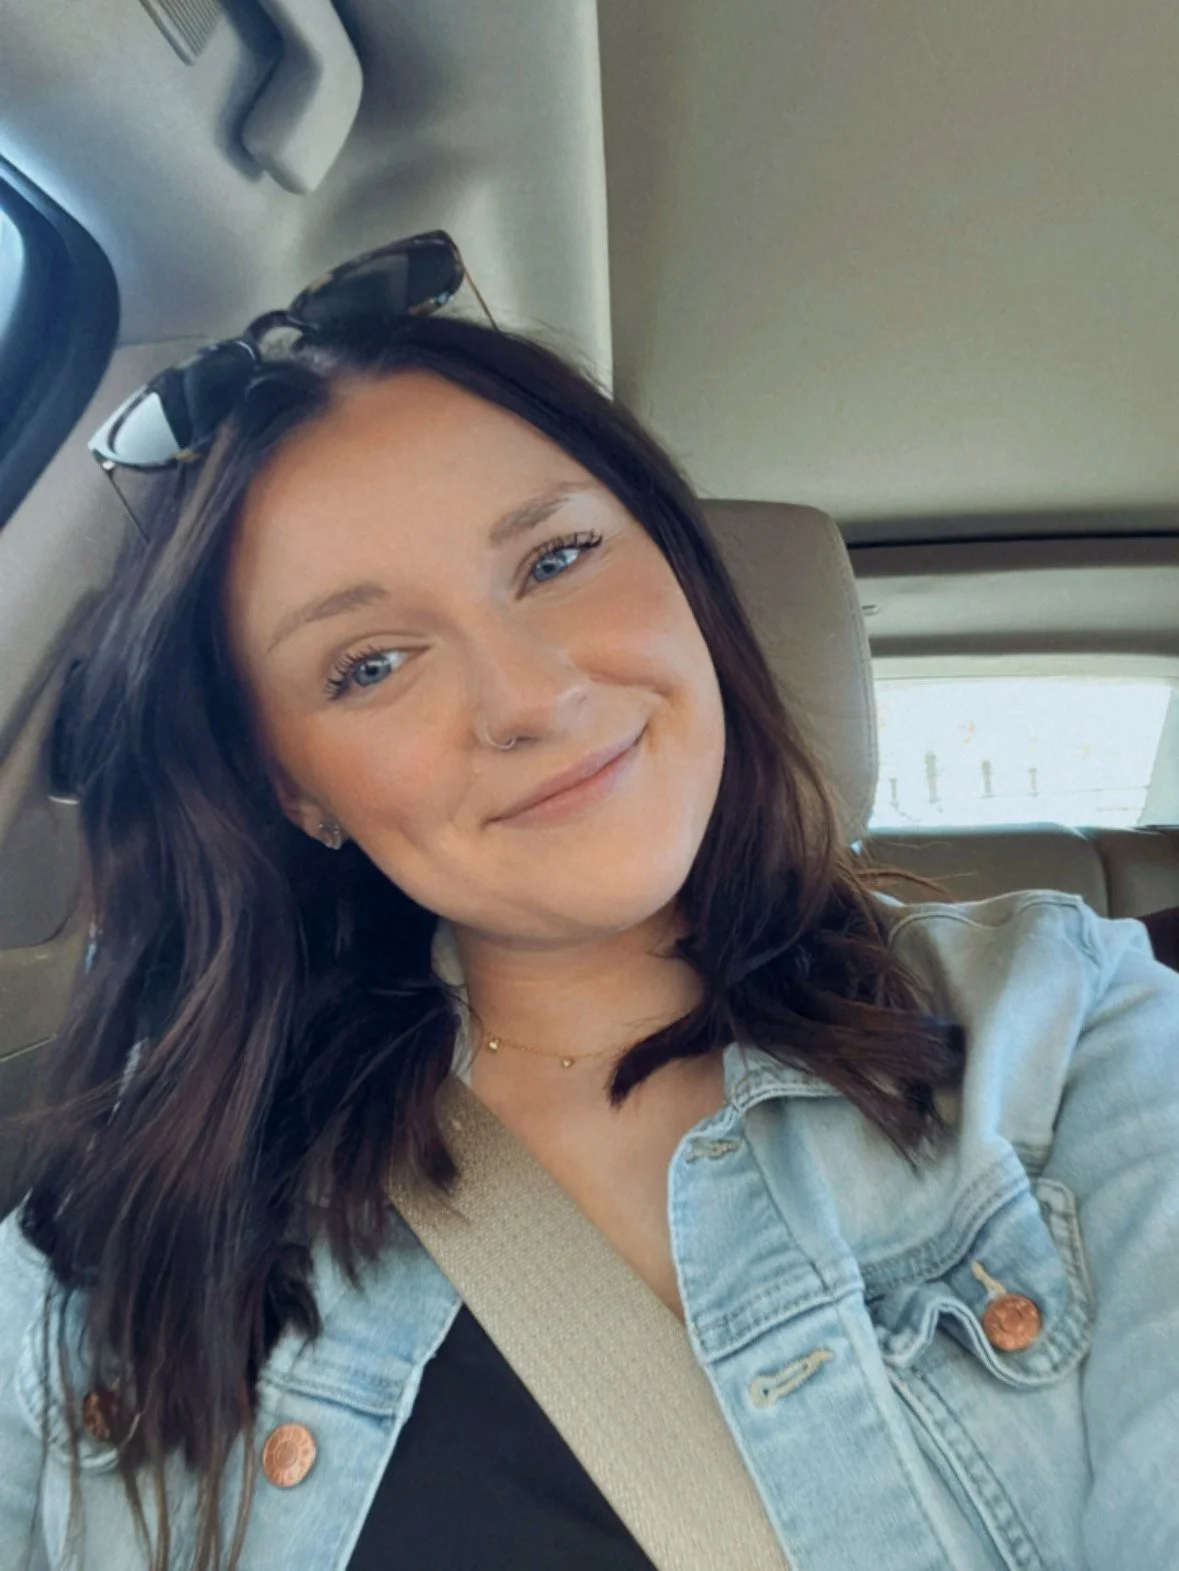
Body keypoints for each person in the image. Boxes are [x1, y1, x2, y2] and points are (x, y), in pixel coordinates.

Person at [0, 233, 1176, 1571]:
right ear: (294, 787)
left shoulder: (1066, 1035)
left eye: (555, 558)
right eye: (371, 662)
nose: (528, 695)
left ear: (677, 564)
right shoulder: (121, 1231)